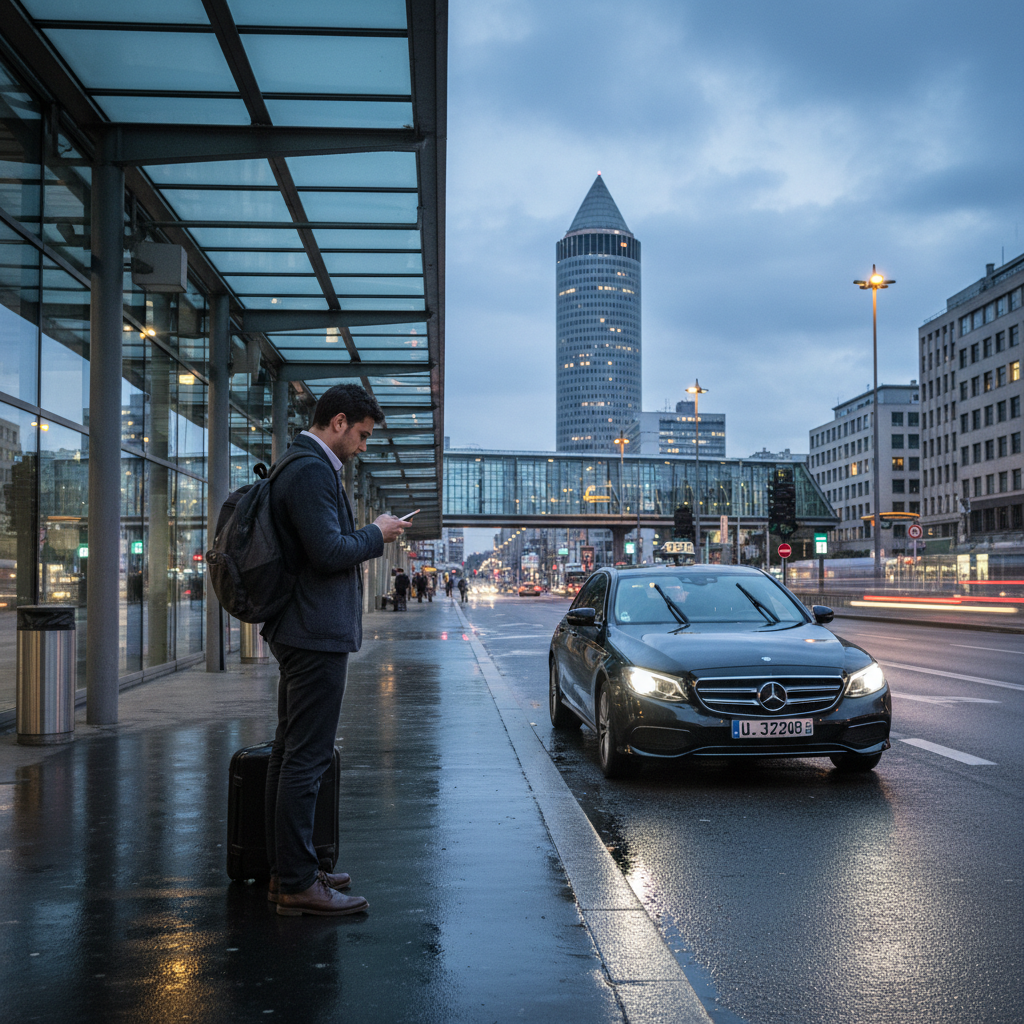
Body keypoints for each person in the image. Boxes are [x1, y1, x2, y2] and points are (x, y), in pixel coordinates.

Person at [261, 383, 407, 917]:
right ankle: (297, 882)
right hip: (312, 632)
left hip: (303, 628)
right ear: (339, 422)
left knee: (290, 751)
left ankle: (289, 870)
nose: (365, 446)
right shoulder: (309, 470)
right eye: (363, 435)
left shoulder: (304, 465)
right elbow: (328, 552)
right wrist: (378, 532)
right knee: (307, 757)